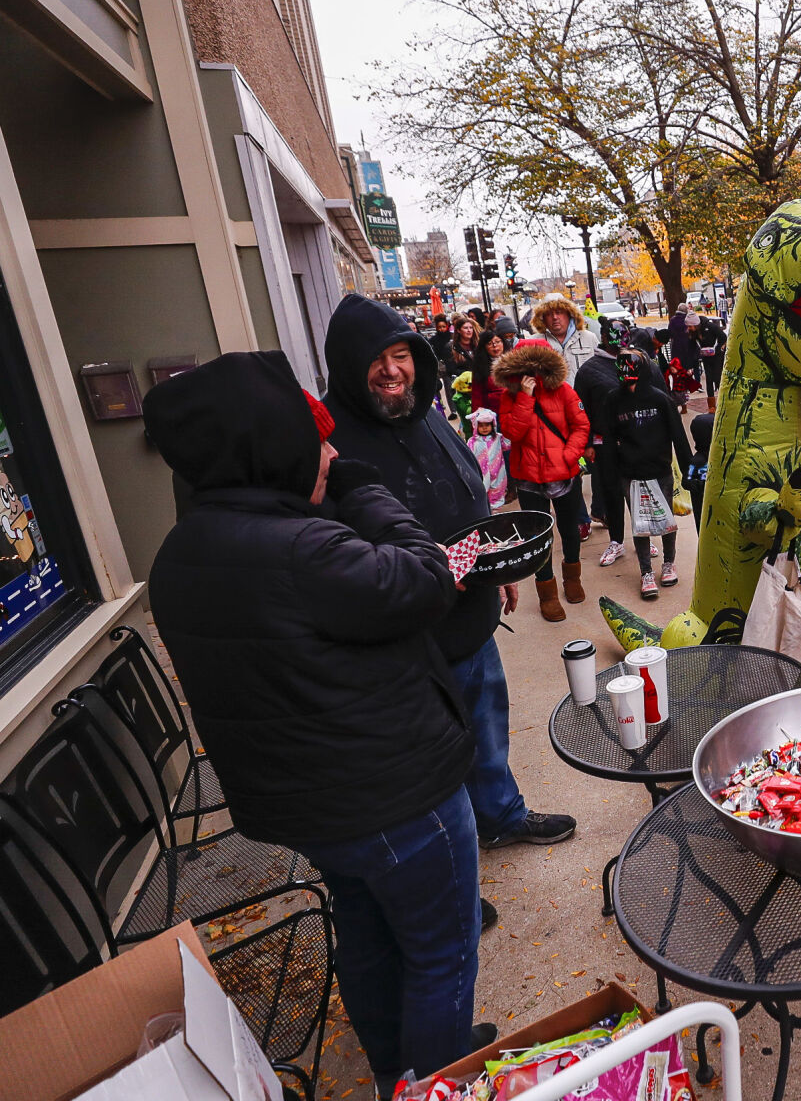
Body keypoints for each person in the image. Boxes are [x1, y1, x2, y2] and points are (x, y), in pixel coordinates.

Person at [145, 352, 485, 1091]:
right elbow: (424, 577)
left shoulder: (181, 554)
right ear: (269, 446)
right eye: (317, 440)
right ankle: (438, 1076)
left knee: (366, 937)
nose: (331, 454)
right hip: (395, 796)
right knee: (441, 955)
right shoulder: (305, 551)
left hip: (314, 805)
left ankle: (408, 1065)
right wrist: (363, 486)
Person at [323, 294, 575, 854]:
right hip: (406, 639)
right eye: (375, 359)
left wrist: (494, 564)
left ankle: (501, 815)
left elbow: (467, 484)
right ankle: (451, 858)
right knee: (434, 759)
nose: (392, 370)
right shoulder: (331, 441)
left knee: (487, 730)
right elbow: (334, 550)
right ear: (346, 365)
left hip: (468, 615)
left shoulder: (424, 413)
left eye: (401, 355)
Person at [494, 336, 590, 621]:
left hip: (564, 474)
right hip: (529, 478)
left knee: (570, 529)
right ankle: (546, 592)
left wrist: (567, 456)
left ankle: (572, 578)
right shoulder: (510, 396)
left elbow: (581, 425)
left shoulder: (564, 391)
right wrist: (524, 397)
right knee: (537, 535)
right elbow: (512, 433)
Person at [603, 349, 692, 600]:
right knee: (640, 525)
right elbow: (608, 439)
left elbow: (678, 436)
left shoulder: (659, 399)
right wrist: (608, 476)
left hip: (660, 470)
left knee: (666, 521)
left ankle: (669, 563)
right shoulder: (613, 400)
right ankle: (646, 572)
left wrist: (689, 471)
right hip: (630, 473)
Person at [578, 317, 630, 563]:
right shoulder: (588, 371)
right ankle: (616, 541)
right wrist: (587, 443)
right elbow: (581, 412)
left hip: (635, 441)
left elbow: (657, 398)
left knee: (638, 491)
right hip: (603, 442)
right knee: (611, 492)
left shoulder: (637, 362)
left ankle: (645, 538)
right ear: (605, 339)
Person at [530, 295, 595, 383]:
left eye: (559, 312)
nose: (555, 317)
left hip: (584, 395)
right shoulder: (534, 343)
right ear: (543, 319)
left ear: (569, 314)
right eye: (549, 314)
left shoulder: (589, 338)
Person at [468, 407, 509, 510]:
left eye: (487, 425)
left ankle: (495, 513)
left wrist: (507, 430)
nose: (484, 428)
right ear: (475, 426)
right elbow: (468, 457)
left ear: (493, 425)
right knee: (483, 497)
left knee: (497, 496)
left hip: (498, 474)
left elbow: (508, 445)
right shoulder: (472, 442)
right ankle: (486, 512)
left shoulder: (498, 438)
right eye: (481, 426)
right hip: (481, 475)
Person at [692, 311, 727, 413]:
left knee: (717, 377)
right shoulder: (694, 332)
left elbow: (723, 338)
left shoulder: (710, 327)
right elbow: (693, 344)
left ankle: (722, 401)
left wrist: (717, 349)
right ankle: (711, 405)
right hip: (706, 357)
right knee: (709, 379)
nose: (689, 328)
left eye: (690, 326)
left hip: (716, 356)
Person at [470, 331, 506, 419]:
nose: (495, 346)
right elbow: (477, 396)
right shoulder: (481, 366)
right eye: (489, 343)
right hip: (493, 413)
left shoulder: (515, 361)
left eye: (498, 342)